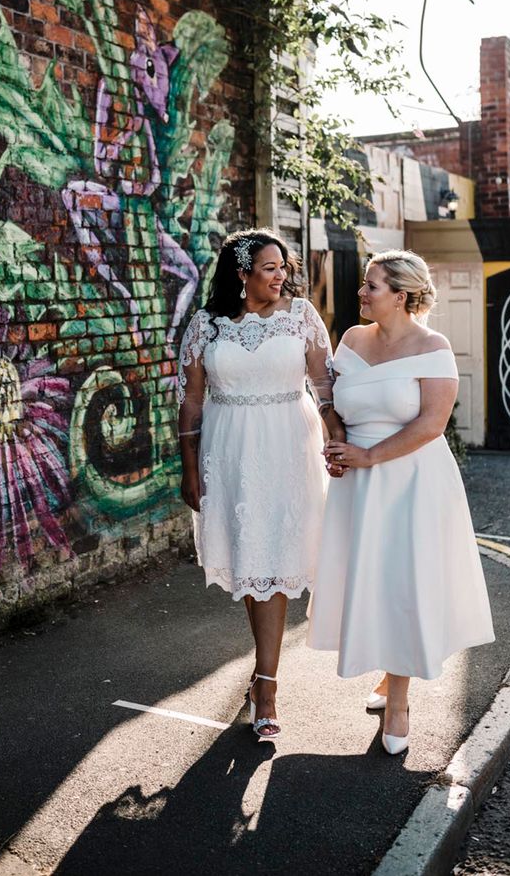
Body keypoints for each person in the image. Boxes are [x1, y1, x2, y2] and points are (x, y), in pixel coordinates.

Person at [306, 249, 494, 755]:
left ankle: (400, 700)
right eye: (365, 284)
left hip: (411, 479)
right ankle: (389, 677)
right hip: (357, 482)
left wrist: (369, 455)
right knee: (369, 580)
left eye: (371, 285)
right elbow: (335, 402)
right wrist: (339, 446)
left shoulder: (432, 346)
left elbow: (431, 425)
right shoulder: (350, 339)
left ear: (402, 295)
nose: (361, 293)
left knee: (403, 581)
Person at [177, 228, 343, 741]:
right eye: (269, 268)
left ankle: (266, 686)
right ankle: (263, 676)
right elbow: (191, 402)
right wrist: (187, 466)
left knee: (273, 566)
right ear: (241, 272)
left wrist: (337, 437)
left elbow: (324, 386)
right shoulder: (207, 325)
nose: (281, 276)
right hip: (228, 454)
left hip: (290, 449)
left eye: (282, 267)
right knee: (254, 564)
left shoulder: (300, 316)